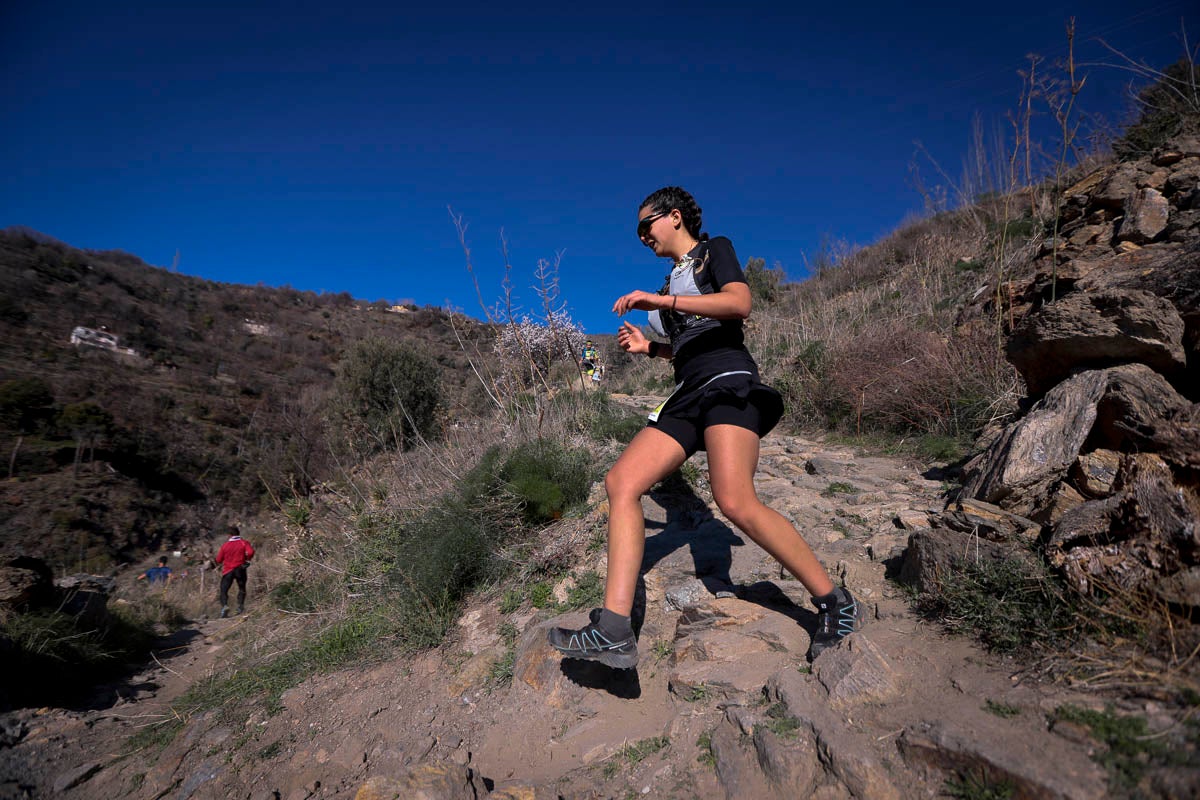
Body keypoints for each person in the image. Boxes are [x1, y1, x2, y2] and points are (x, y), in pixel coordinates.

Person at [548, 187, 864, 669]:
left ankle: (834, 602)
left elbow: (738, 305)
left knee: (734, 500)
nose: (641, 236)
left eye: (645, 225)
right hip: (687, 391)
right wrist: (649, 349)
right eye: (637, 231)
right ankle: (613, 630)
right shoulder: (672, 280)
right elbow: (688, 345)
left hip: (727, 381)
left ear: (674, 217)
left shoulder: (713, 252)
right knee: (622, 483)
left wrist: (659, 300)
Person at [214, 525, 255, 618]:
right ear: (238, 533)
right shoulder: (244, 543)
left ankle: (225, 606)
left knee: (224, 590)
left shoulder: (225, 545)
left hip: (228, 570)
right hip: (240, 569)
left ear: (229, 535)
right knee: (241, 588)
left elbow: (219, 559)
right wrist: (247, 560)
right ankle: (240, 607)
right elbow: (250, 552)